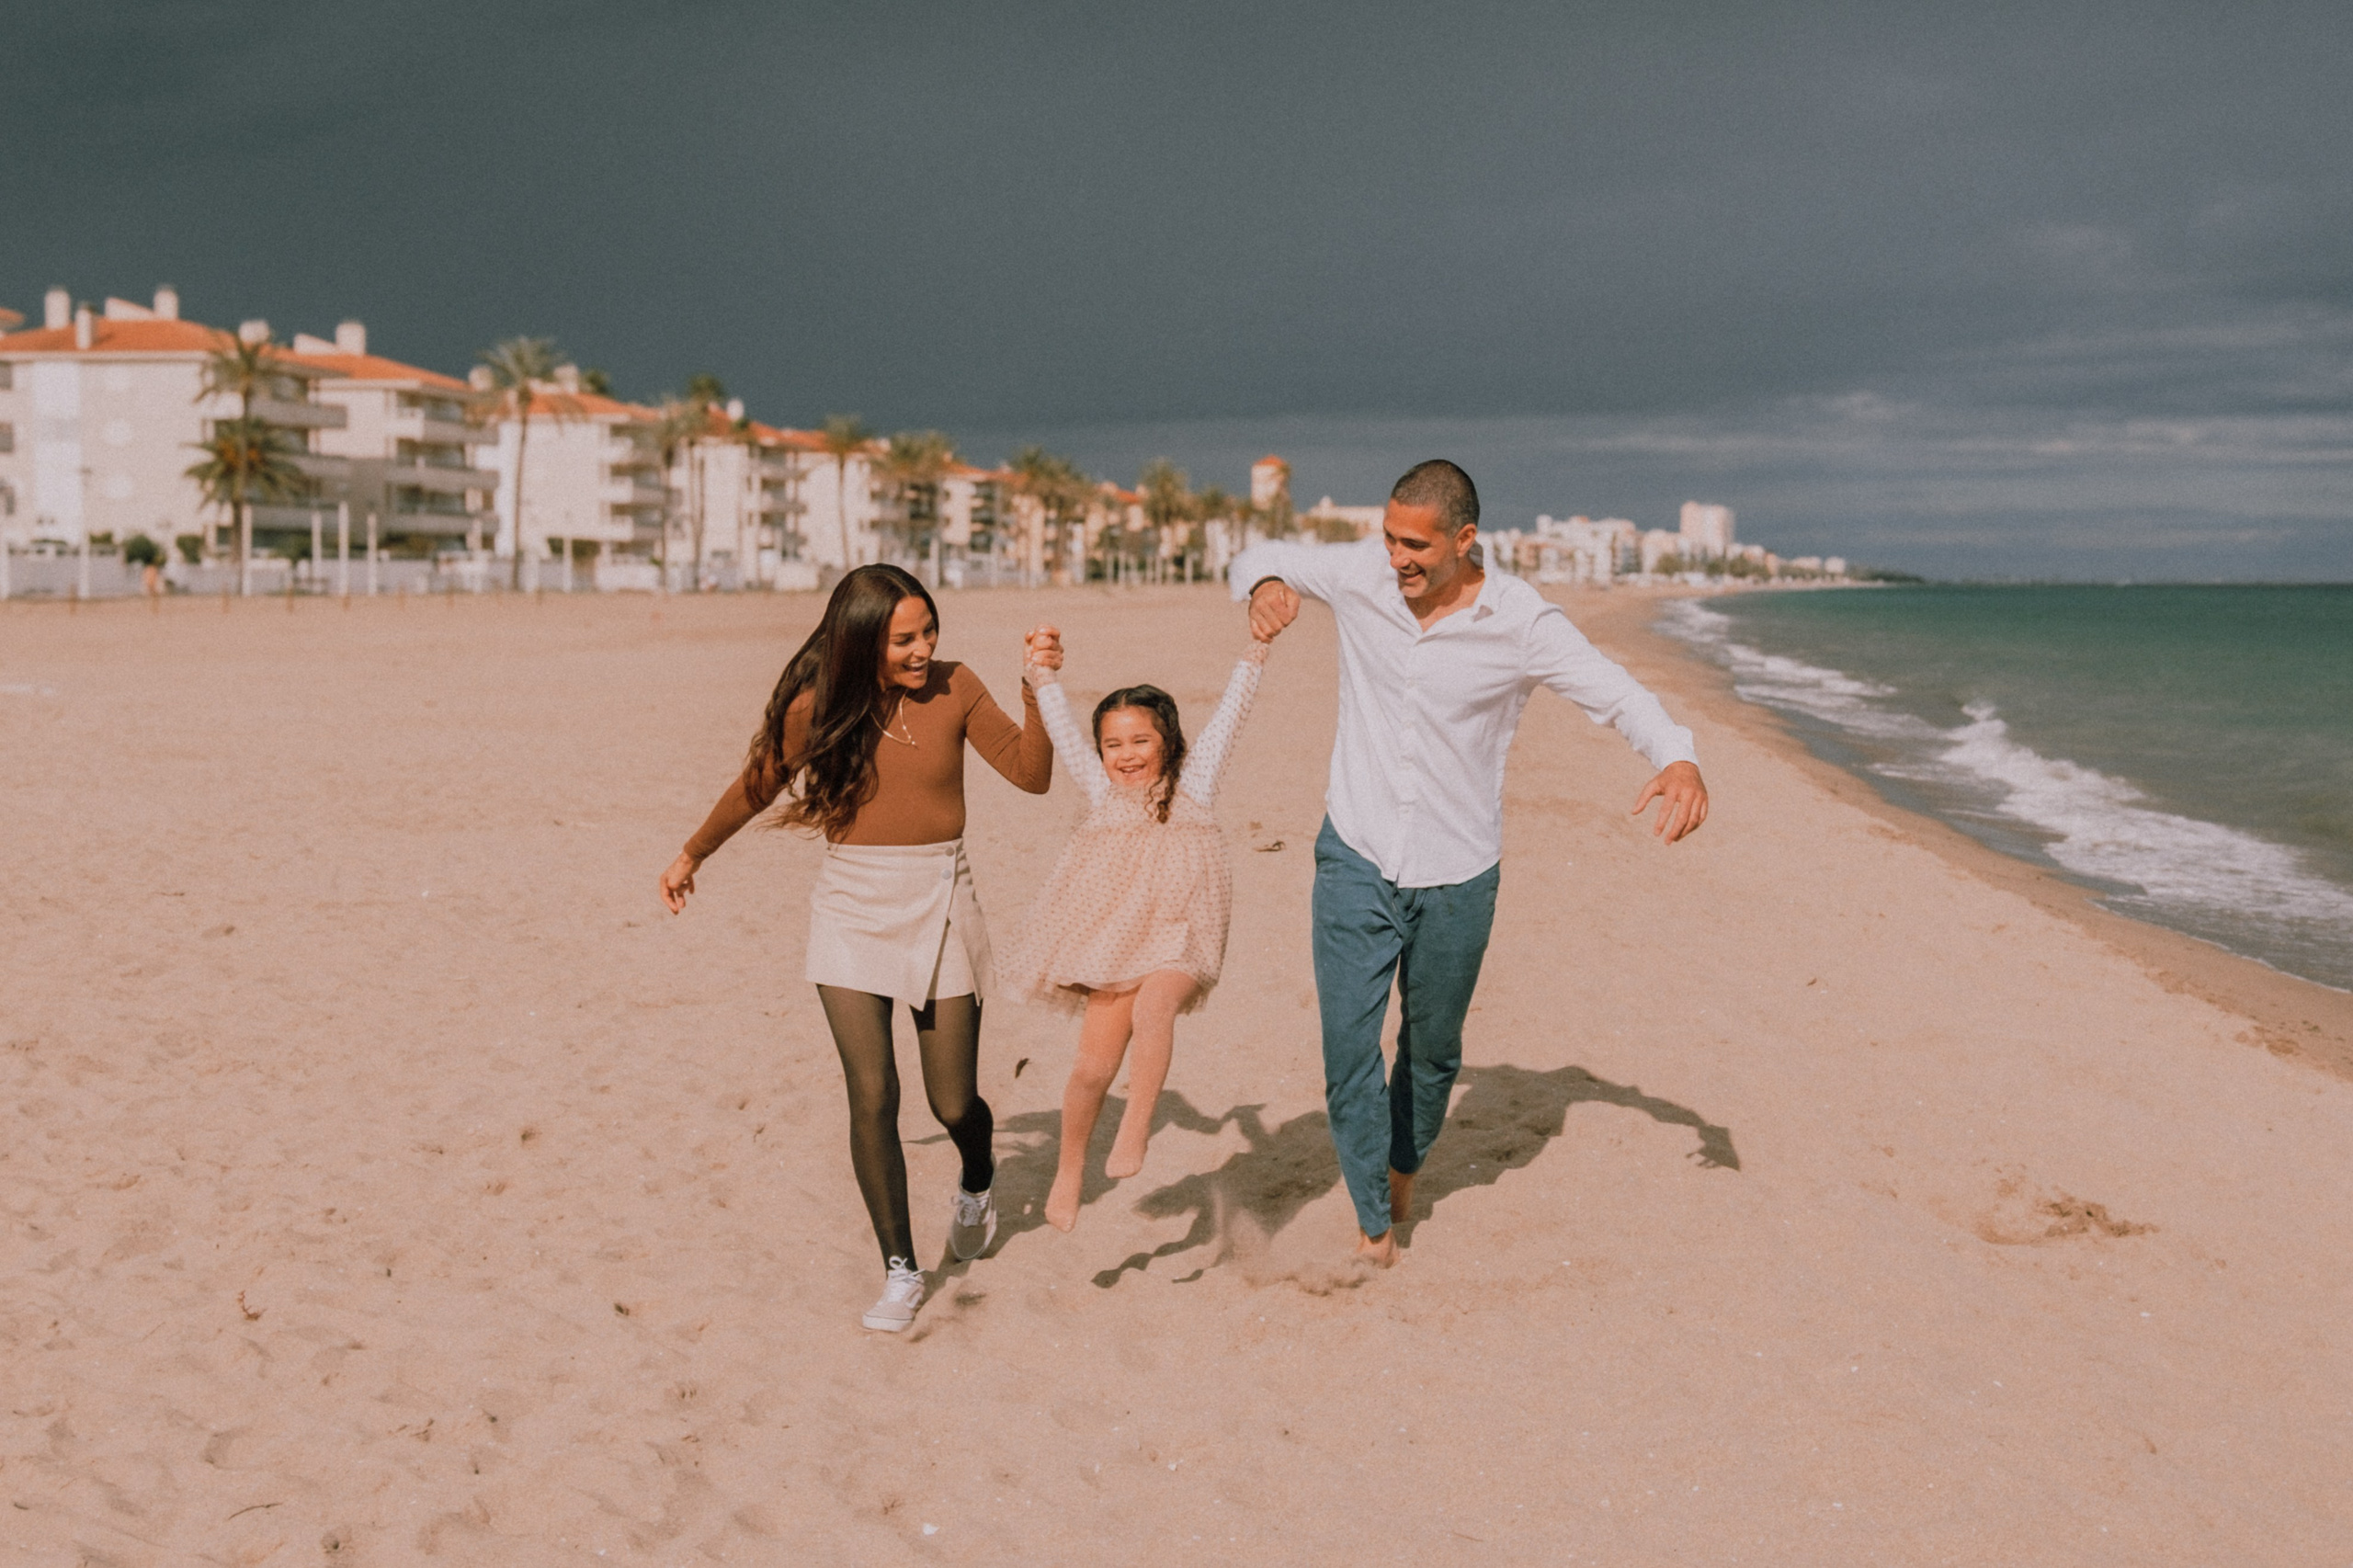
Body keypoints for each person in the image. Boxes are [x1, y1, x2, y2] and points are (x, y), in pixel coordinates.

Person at [1233, 460, 1710, 1267]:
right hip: (1355, 848)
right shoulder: (1362, 573)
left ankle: (1404, 1165)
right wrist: (1262, 587)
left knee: (1431, 1052)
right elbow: (1257, 554)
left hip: (1458, 871)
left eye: (1414, 544)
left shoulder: (1520, 621)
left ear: (1464, 539)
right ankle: (1374, 1222)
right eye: (1389, 539)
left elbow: (1612, 689)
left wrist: (1678, 757)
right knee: (1348, 1050)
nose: (1396, 559)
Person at [657, 563, 1054, 1331]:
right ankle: (901, 1270)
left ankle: (977, 1177)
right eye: (903, 638)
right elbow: (757, 784)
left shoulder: (957, 686)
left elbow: (1032, 776)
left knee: (951, 1101)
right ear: (862, 639)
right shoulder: (819, 709)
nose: (921, 648)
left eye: (928, 632)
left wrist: (1037, 689)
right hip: (851, 905)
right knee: (872, 1093)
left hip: (941, 893)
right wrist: (692, 854)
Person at [1001, 620, 1272, 1231]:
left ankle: (1136, 1125)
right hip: (1117, 936)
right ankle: (1070, 1169)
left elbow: (1233, 710)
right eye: (1114, 744)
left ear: (1168, 743)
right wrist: (1042, 675)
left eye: (1139, 741)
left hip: (1185, 931)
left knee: (1155, 1010)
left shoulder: (1193, 782)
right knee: (1091, 1069)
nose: (1126, 755)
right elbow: (1066, 735)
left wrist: (1257, 645)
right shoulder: (1101, 789)